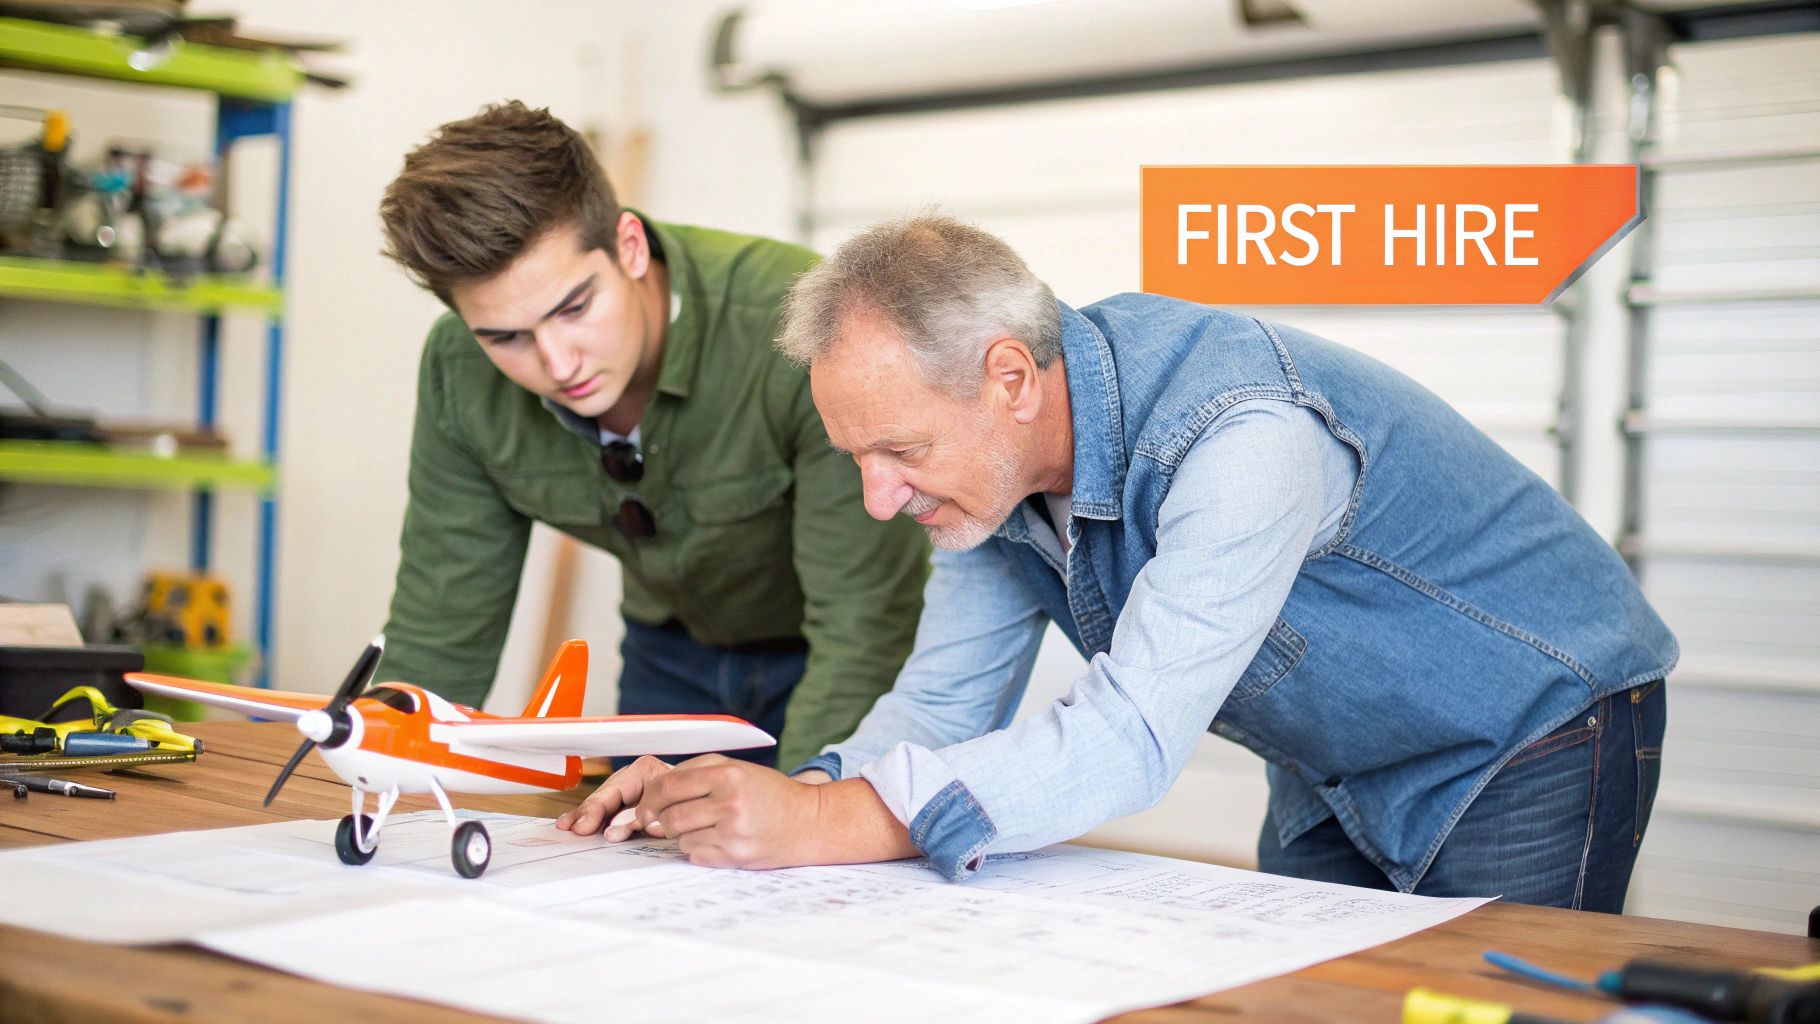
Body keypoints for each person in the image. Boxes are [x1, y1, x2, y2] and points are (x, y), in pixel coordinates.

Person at [557, 214, 1677, 912]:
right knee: (1314, 1003)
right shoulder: (989, 480)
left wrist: (829, 827)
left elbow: (1128, 739)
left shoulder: (1243, 434)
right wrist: (775, 797)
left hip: (1527, 723)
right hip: (1336, 749)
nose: (876, 496)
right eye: (856, 456)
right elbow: (939, 702)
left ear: (1006, 377)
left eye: (898, 451)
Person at [373, 102, 928, 769]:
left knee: (818, 856)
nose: (558, 362)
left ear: (629, 247)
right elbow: (441, 627)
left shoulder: (804, 329)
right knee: (638, 855)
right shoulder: (459, 373)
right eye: (505, 337)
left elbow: (865, 627)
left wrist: (807, 805)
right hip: (668, 654)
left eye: (575, 308)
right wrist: (383, 776)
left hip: (845, 654)